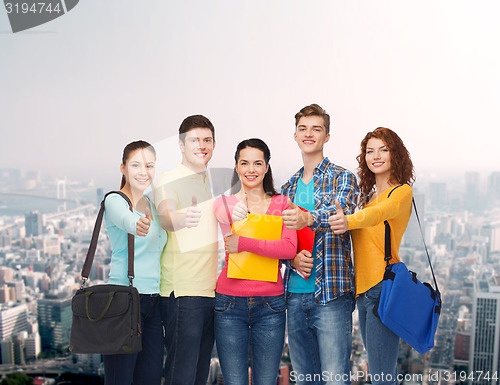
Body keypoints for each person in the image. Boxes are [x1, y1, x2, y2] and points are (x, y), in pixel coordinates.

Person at [329, 127, 414, 385]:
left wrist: (349, 220)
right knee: (379, 373)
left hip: (382, 289)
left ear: (395, 154)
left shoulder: (400, 193)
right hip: (363, 293)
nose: (375, 156)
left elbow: (378, 214)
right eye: (369, 151)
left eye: (383, 150)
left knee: (382, 377)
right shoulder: (366, 198)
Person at [281, 104, 359, 385]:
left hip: (332, 294)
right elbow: (278, 239)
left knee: (336, 379)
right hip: (294, 293)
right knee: (305, 380)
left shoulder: (343, 177)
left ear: (327, 136)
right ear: (295, 136)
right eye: (303, 129)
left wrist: (307, 217)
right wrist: (290, 260)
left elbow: (341, 213)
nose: (308, 134)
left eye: (316, 129)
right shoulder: (287, 187)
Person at [213, 138, 297, 385]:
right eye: (245, 163)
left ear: (267, 166)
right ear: (237, 167)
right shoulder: (225, 203)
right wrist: (233, 213)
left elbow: (288, 249)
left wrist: (244, 243)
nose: (251, 169)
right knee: (235, 381)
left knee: (266, 381)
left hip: (270, 305)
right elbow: (221, 212)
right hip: (229, 304)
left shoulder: (282, 203)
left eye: (258, 163)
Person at [154, 115, 219, 385]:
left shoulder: (210, 181)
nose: (201, 145)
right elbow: (165, 216)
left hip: (210, 291)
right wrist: (181, 219)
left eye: (207, 140)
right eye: (194, 140)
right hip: (182, 292)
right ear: (181, 145)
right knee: (181, 375)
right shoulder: (169, 179)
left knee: (199, 375)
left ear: (214, 144)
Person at [103, 140, 167, 385]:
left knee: (150, 378)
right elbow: (127, 221)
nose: (144, 172)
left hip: (153, 301)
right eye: (136, 165)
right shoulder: (115, 200)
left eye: (149, 166)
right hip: (124, 301)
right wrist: (137, 224)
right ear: (123, 168)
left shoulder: (152, 204)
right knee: (120, 379)